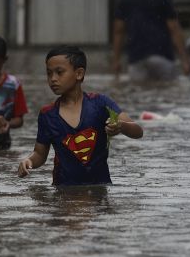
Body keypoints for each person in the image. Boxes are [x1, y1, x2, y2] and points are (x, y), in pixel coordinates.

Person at [18, 46, 143, 185]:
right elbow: (40, 154)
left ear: (79, 73)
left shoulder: (101, 104)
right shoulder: (47, 114)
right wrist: (28, 161)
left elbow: (138, 131)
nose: (53, 79)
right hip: (63, 194)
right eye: (49, 73)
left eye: (59, 72)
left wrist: (121, 126)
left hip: (99, 190)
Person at [111, 0, 190, 82]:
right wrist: (185, 60)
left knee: (139, 97)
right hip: (162, 55)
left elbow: (118, 30)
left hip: (136, 57)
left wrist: (116, 60)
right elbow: (174, 29)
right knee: (165, 97)